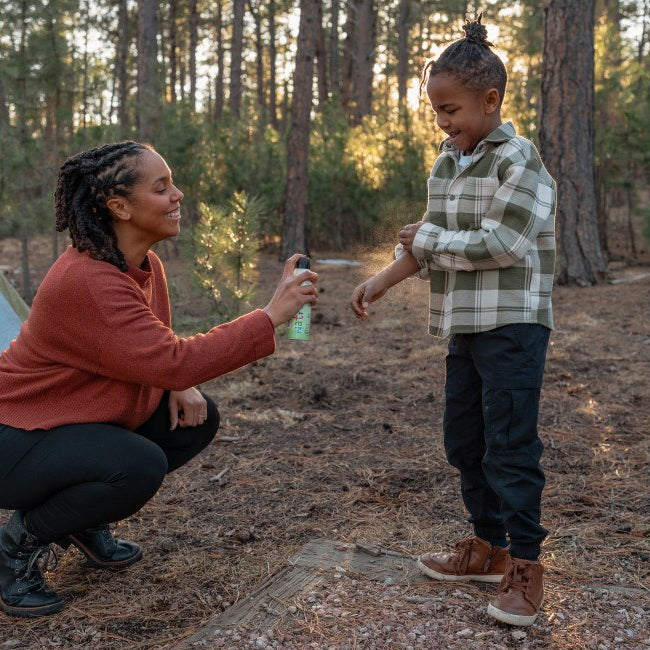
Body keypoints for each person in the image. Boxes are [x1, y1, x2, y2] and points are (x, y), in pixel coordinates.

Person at [0, 141, 318, 618]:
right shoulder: (88, 280)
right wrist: (270, 316)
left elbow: (149, 351)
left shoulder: (142, 265)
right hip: (14, 436)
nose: (178, 196)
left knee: (196, 418)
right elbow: (171, 359)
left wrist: (175, 382)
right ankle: (15, 548)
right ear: (120, 207)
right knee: (138, 464)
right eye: (161, 187)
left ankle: (81, 519)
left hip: (64, 421)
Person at [350, 15, 556, 627]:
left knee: (510, 447)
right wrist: (381, 281)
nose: (444, 123)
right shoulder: (450, 161)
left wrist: (432, 236)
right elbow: (424, 243)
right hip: (464, 325)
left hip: (514, 326)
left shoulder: (520, 162)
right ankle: (487, 548)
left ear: (490, 100)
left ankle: (525, 568)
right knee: (465, 442)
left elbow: (504, 243)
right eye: (437, 112)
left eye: (452, 110)